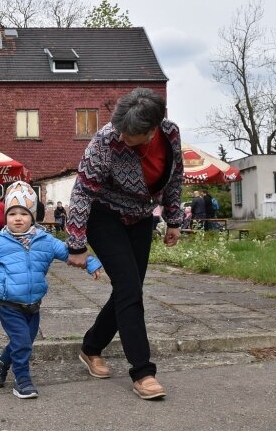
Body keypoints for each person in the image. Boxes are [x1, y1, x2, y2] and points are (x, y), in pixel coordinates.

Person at [65, 87, 183, 400]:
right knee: (130, 289)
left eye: (131, 134)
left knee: (128, 291)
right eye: (121, 130)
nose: (123, 137)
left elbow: (174, 177)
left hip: (142, 218)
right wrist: (76, 242)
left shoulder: (170, 134)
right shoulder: (105, 140)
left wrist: (173, 220)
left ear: (152, 129)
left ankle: (91, 348)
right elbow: (82, 192)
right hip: (104, 218)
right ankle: (143, 371)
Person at [0, 181, 102, 399]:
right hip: (9, 304)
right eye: (12, 213)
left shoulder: (46, 241)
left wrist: (90, 263)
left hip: (33, 305)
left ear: (32, 216)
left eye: (23, 213)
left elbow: (68, 252)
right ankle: (22, 380)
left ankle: (1, 362)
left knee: (21, 343)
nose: (17, 218)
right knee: (23, 344)